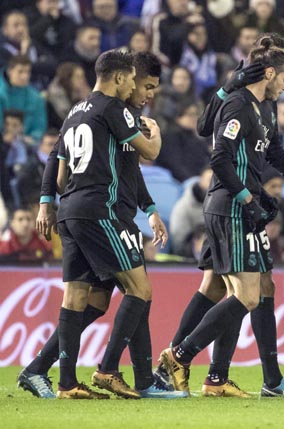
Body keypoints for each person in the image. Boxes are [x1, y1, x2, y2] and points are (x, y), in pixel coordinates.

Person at [157, 36, 284, 398]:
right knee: (248, 296)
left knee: (224, 287)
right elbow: (219, 158)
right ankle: (179, 356)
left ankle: (230, 380)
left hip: (243, 206)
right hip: (231, 206)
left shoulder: (266, 108)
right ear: (269, 73)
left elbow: (276, 155)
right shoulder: (238, 105)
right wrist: (247, 198)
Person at [18, 51, 187, 400]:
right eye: (147, 86)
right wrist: (155, 136)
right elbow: (148, 155)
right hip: (104, 213)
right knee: (139, 289)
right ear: (127, 77)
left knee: (89, 300)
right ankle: (112, 371)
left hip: (78, 211)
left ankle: (52, 376)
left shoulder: (79, 110)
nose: (150, 94)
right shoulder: (116, 110)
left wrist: (150, 208)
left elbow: (66, 163)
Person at [0, 55, 47, 141]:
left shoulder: (36, 98)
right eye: (20, 72)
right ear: (10, 71)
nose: (25, 76)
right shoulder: (1, 94)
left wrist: (32, 138)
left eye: (27, 72)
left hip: (26, 145)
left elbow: (40, 128)